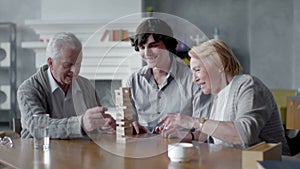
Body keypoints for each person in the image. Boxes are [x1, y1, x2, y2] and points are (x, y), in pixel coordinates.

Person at [157, 39, 290, 155]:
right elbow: (214, 135)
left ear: (219, 64)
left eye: (197, 70)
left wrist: (193, 121)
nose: (194, 80)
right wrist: (184, 135)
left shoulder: (248, 85)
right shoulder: (218, 95)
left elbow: (243, 135)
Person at [17, 32, 116, 139]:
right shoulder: (28, 89)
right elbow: (39, 127)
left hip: (81, 153)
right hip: (42, 154)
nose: (74, 71)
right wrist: (81, 124)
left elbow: (96, 127)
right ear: (51, 63)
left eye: (78, 64)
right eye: (67, 65)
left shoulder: (86, 85)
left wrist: (104, 125)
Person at [127, 18, 211, 135]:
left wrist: (182, 135)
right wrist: (131, 125)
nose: (147, 53)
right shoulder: (134, 80)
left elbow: (204, 131)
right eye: (142, 47)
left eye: (153, 46)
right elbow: (128, 123)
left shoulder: (193, 80)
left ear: (168, 46)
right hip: (143, 149)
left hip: (181, 149)